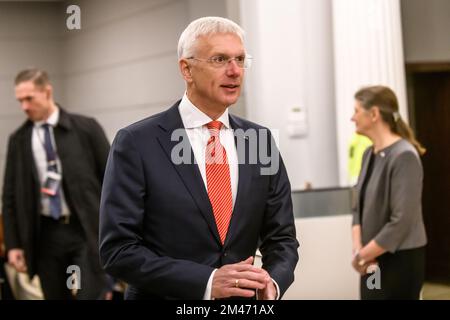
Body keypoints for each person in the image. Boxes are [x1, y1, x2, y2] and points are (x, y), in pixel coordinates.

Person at [99, 16, 299, 300]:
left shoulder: (260, 141)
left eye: (240, 60)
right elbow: (117, 251)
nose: (235, 71)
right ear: (187, 69)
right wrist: (207, 281)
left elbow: (282, 238)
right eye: (220, 59)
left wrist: (273, 282)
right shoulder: (136, 143)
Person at [2, 68, 111, 299]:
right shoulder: (19, 140)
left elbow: (113, 180)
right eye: (20, 100)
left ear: (47, 91)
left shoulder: (86, 128)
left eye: (29, 98)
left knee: (90, 293)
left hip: (85, 230)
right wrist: (13, 245)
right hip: (45, 234)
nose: (24, 106)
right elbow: (10, 196)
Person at [350, 85, 427, 299]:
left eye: (356, 111)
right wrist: (359, 252)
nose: (352, 118)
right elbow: (357, 208)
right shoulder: (369, 154)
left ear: (374, 114)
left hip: (399, 260)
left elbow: (401, 221)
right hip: (372, 261)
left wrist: (362, 255)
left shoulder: (404, 155)